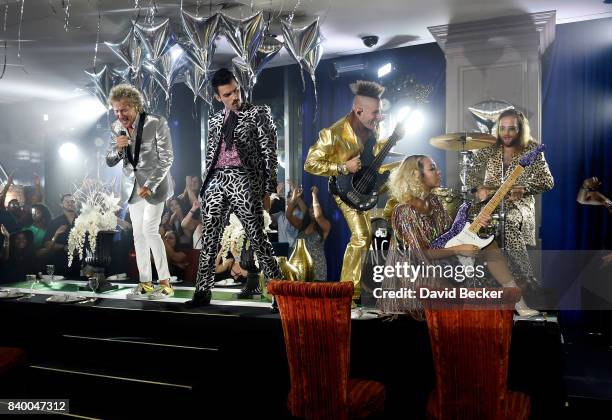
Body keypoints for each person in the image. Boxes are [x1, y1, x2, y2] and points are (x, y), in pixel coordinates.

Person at [378, 155, 538, 317]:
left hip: (440, 263)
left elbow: (452, 235)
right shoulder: (404, 210)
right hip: (418, 276)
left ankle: (519, 304)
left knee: (490, 247)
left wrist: (477, 223)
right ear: (416, 176)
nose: (439, 172)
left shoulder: (434, 202)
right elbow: (418, 254)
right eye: (432, 169)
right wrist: (459, 249)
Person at [188, 68, 282, 309]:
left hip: (243, 178)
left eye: (236, 91)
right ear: (218, 97)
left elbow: (270, 153)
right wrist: (205, 187)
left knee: (258, 238)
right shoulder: (215, 120)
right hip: (216, 180)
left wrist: (268, 191)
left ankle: (280, 294)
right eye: (228, 94)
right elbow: (211, 155)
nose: (234, 97)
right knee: (209, 239)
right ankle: (202, 293)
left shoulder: (259, 113)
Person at [304, 80, 403, 304]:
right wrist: (342, 167)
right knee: (361, 236)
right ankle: (347, 293)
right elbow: (310, 164)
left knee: (407, 169)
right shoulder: (333, 134)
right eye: (375, 112)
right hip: (345, 190)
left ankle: (388, 216)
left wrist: (393, 138)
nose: (379, 117)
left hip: (367, 180)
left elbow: (374, 153)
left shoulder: (372, 128)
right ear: (358, 111)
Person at [467, 109, 554, 300]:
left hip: (519, 205)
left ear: (520, 129)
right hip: (489, 203)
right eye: (502, 128)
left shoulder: (532, 149)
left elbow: (548, 181)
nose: (506, 133)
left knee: (508, 221)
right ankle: (480, 285)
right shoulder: (489, 147)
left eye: (512, 129)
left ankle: (526, 278)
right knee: (475, 225)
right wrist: (477, 189)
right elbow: (470, 174)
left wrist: (524, 188)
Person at [106, 84, 174, 300]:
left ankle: (165, 282)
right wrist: (117, 149)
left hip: (155, 186)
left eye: (124, 109)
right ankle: (145, 282)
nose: (120, 114)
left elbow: (167, 158)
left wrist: (151, 184)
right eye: (116, 110)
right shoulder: (116, 127)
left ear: (135, 106)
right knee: (138, 235)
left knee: (150, 230)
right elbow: (109, 161)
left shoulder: (156, 122)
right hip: (132, 188)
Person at [295, 186, 331, 281]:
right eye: (310, 209)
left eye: (313, 208)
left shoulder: (325, 225)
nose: (312, 210)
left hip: (317, 271)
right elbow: (288, 215)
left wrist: (314, 195)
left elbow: (318, 216)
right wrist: (295, 197)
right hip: (301, 270)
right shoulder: (302, 225)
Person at [44, 194, 78, 276]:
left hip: (80, 263)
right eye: (67, 201)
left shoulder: (84, 220)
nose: (70, 203)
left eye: (73, 201)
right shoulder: (55, 222)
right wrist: (64, 247)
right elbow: (47, 244)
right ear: (61, 204)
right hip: (61, 262)